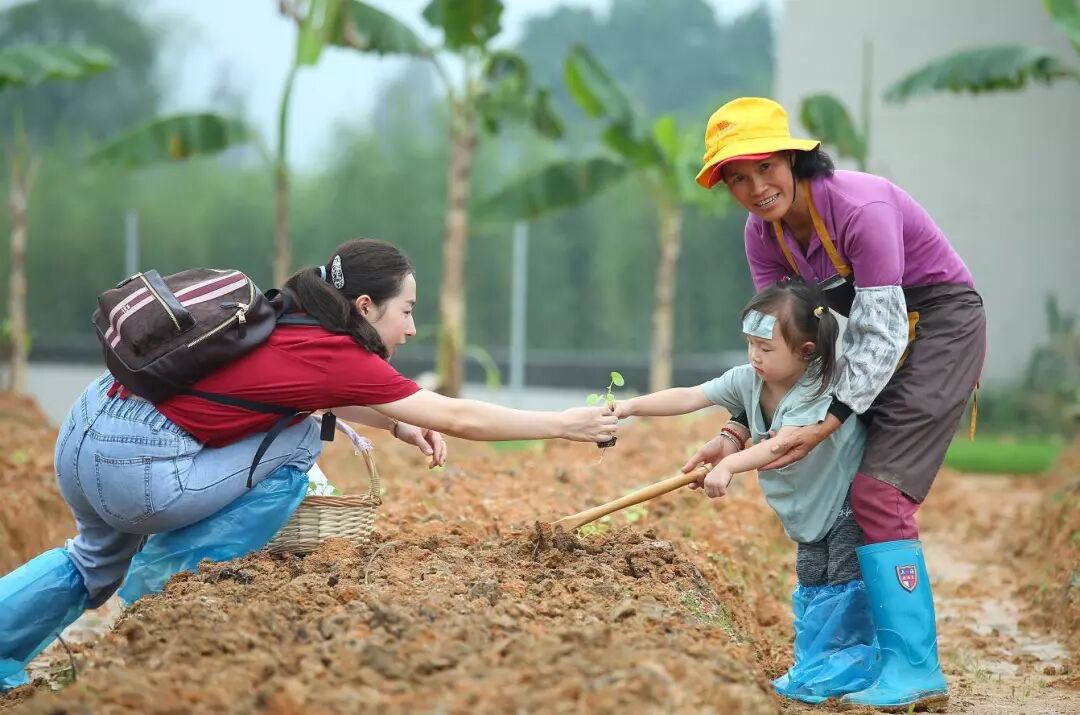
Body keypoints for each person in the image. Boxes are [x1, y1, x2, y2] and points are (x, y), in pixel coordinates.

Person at [0, 238, 618, 688]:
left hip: (84, 436)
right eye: (407, 311)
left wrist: (398, 422)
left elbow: (296, 386)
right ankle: (161, 597)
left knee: (91, 560)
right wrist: (566, 424)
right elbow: (457, 416)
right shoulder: (335, 350)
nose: (412, 327)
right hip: (136, 471)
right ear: (368, 306)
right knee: (301, 441)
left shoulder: (279, 316)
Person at [683, 96, 984, 710]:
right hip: (873, 340)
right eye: (736, 178)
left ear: (794, 157)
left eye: (764, 167)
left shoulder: (858, 207)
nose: (754, 187)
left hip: (939, 326)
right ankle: (854, 657)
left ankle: (914, 668)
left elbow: (881, 328)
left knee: (880, 492)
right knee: (850, 495)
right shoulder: (760, 234)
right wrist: (740, 427)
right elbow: (783, 346)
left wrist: (826, 423)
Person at [617, 279, 879, 703]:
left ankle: (849, 667)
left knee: (843, 576)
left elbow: (782, 444)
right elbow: (690, 395)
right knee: (813, 576)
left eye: (766, 348)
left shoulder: (818, 387)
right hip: (807, 505)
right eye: (750, 345)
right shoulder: (748, 380)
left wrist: (730, 464)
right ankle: (818, 662)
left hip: (845, 495)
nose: (754, 357)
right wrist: (630, 407)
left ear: (806, 352)